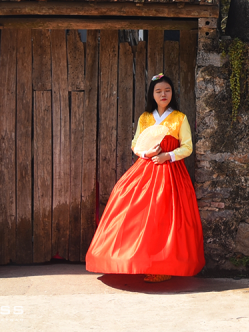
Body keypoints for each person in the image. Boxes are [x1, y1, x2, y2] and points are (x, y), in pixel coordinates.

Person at [86, 73, 205, 282]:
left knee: (164, 217)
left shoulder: (179, 118)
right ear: (152, 94)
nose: (163, 94)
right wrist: (146, 153)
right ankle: (132, 261)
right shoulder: (145, 118)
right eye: (158, 91)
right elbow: (135, 144)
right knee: (129, 208)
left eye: (167, 90)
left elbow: (187, 147)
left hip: (170, 172)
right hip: (145, 169)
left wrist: (167, 155)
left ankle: (163, 265)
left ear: (172, 93)